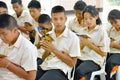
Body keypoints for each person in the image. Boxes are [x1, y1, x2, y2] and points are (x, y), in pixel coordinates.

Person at [37, 5, 81, 80]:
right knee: (28, 76)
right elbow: (44, 58)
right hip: (45, 65)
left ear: (65, 19)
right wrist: (47, 50)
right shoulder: (48, 35)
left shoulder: (73, 38)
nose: (58, 22)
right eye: (55, 19)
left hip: (60, 69)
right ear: (51, 20)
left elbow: (72, 63)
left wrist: (53, 50)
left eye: (61, 19)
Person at [74, 5, 110, 80]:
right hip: (82, 57)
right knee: (69, 67)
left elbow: (104, 53)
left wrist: (88, 44)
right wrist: (82, 44)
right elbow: (79, 49)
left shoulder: (101, 31)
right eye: (86, 19)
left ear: (96, 17)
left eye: (91, 18)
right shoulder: (82, 31)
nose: (88, 21)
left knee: (79, 71)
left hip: (95, 60)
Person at [0, 14, 38, 80]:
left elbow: (31, 77)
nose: (1, 37)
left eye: (4, 34)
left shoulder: (28, 48)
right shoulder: (2, 41)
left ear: (15, 30)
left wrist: (8, 65)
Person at [106, 9, 120, 80]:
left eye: (115, 22)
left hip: (118, 54)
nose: (114, 25)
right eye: (112, 23)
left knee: (110, 62)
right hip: (109, 52)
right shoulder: (110, 29)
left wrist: (113, 45)